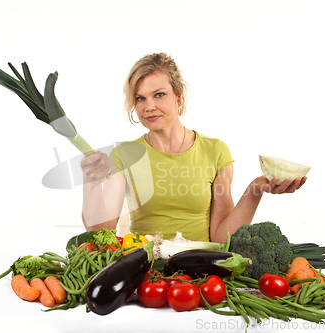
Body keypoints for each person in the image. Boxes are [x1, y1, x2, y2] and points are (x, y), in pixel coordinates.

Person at [80, 53, 306, 243]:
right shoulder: (125, 155)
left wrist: (256, 188)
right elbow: (101, 231)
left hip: (199, 275)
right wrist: (90, 181)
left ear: (179, 94)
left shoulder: (215, 151)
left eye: (159, 94)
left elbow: (220, 239)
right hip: (145, 274)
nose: (149, 107)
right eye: (140, 98)